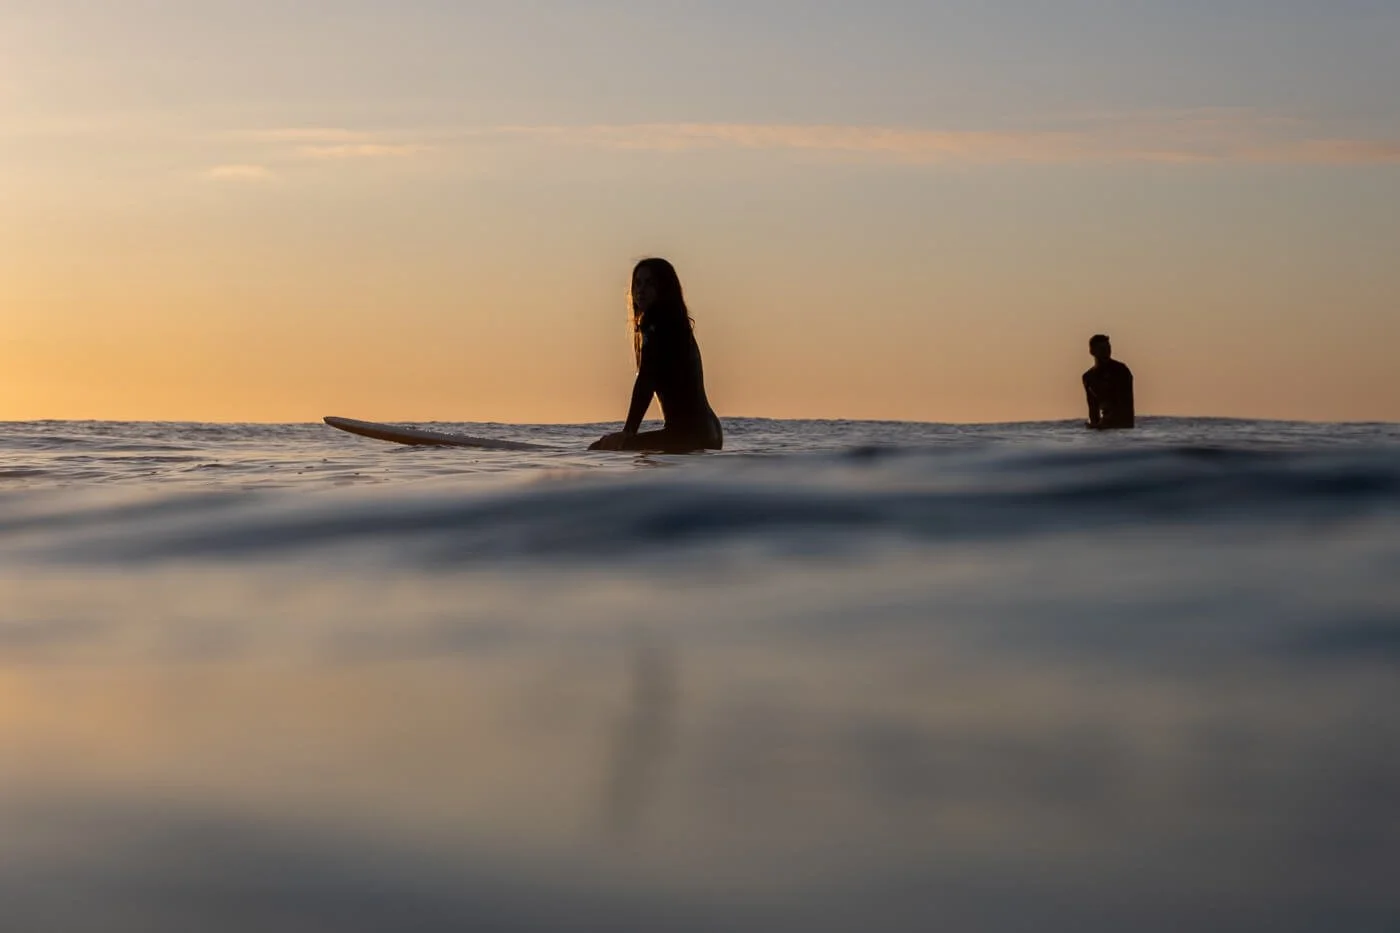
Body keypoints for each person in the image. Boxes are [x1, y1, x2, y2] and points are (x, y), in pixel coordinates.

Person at [590, 258, 723, 452]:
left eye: (650, 283)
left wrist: (628, 432)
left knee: (600, 449)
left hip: (688, 434)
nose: (641, 290)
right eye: (637, 283)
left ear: (664, 288)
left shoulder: (656, 325)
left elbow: (646, 380)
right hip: (709, 431)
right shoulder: (677, 325)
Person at [1083, 334, 1135, 429]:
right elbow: (1092, 407)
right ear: (1092, 351)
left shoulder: (1120, 370)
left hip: (1122, 427)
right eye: (1102, 349)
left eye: (1108, 348)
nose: (1106, 352)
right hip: (1104, 427)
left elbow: (1124, 403)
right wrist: (1094, 426)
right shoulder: (1088, 377)